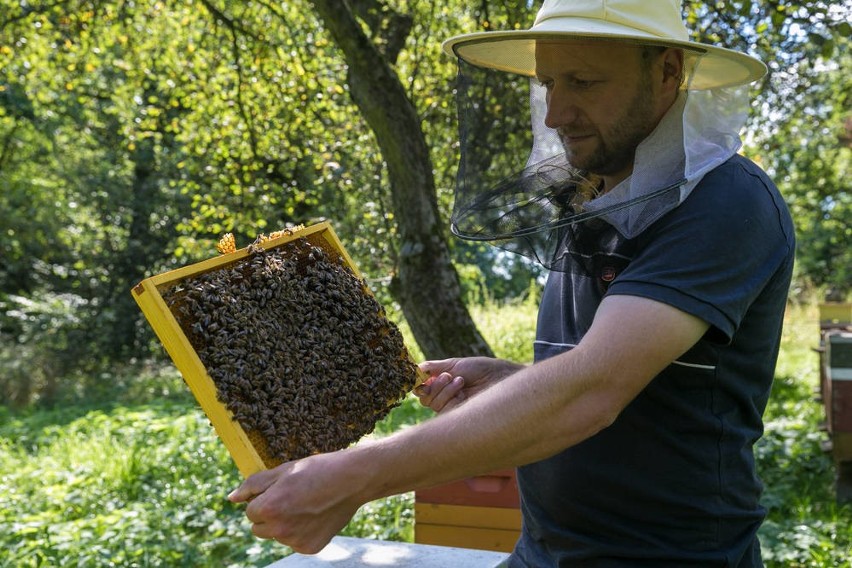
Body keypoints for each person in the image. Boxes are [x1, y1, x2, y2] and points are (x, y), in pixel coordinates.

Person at [228, 0, 795, 566]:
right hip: (543, 553)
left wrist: (352, 477)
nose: (556, 113)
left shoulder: (725, 204)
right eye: (549, 82)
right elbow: (613, 374)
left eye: (584, 81)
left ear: (668, 70)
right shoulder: (594, 191)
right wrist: (510, 382)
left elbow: (593, 390)